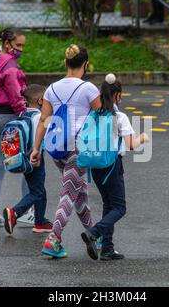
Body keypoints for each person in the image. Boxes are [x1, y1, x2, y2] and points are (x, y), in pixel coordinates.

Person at [30, 44, 102, 259]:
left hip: (57, 148)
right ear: (86, 64)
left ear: (65, 63)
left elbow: (43, 120)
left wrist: (36, 148)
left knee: (79, 193)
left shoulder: (51, 88)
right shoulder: (89, 89)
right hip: (79, 148)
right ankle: (53, 239)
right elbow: (102, 118)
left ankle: (96, 237)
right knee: (69, 194)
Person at [81, 74, 150, 261]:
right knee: (119, 208)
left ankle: (107, 248)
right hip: (112, 164)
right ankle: (93, 233)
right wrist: (143, 137)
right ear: (117, 95)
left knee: (108, 204)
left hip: (95, 165)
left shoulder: (93, 115)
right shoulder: (119, 117)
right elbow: (131, 145)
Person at [0, 27, 33, 228]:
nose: (21, 49)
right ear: (7, 43)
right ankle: (25, 211)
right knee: (27, 163)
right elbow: (16, 97)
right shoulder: (12, 67)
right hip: (10, 118)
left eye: (23, 46)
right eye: (18, 45)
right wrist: (28, 114)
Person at [2, 84, 53, 235]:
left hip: (23, 158)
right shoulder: (39, 117)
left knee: (38, 189)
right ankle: (15, 212)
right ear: (40, 101)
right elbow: (46, 135)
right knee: (37, 191)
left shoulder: (22, 115)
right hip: (35, 157)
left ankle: (40, 221)